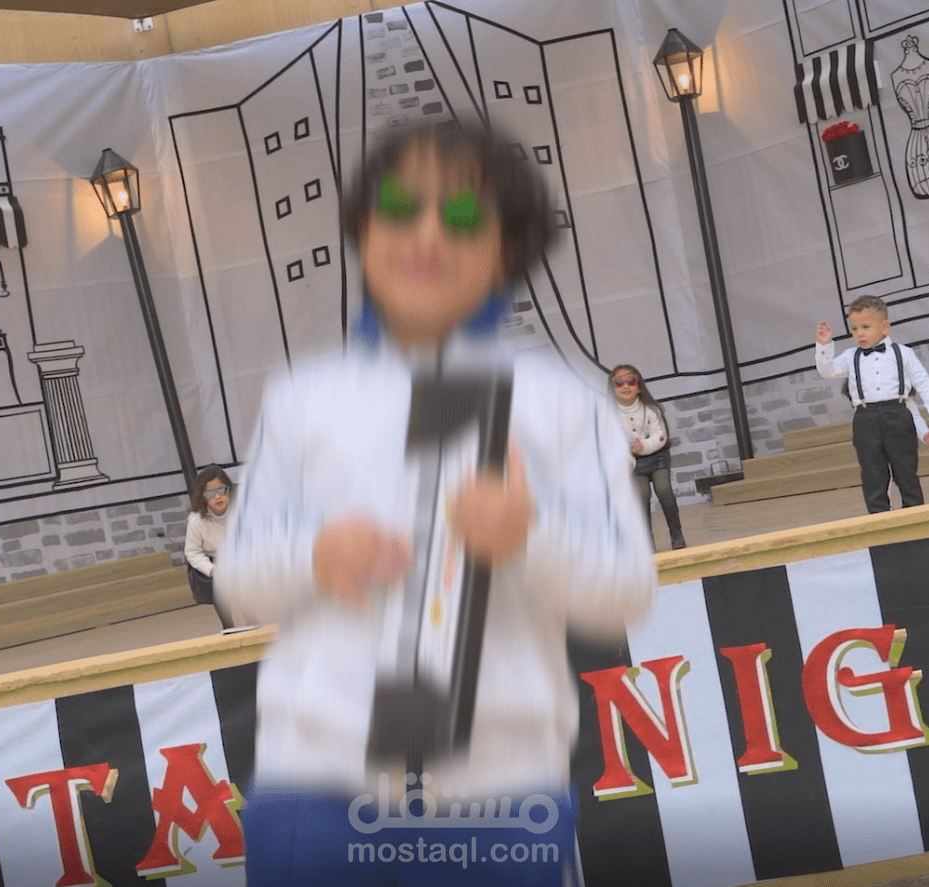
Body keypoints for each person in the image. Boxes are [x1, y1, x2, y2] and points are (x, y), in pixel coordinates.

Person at [219, 121, 656, 887]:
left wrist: (527, 537)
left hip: (500, 792)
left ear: (506, 250)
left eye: (460, 215)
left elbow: (626, 590)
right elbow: (239, 580)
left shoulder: (561, 405)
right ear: (363, 229)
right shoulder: (302, 401)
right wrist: (314, 555)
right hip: (313, 783)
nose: (425, 234)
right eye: (398, 206)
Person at [816, 295, 929, 513]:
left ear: (884, 327)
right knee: (872, 473)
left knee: (906, 469)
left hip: (898, 414)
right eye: (854, 329)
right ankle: (879, 517)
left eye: (866, 327)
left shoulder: (903, 353)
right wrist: (824, 345)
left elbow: (923, 382)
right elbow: (827, 371)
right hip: (865, 418)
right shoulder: (850, 356)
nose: (859, 333)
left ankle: (915, 515)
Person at [610, 364, 686, 550]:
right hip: (633, 462)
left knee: (664, 490)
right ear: (612, 388)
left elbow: (660, 436)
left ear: (639, 386)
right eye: (619, 382)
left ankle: (676, 532)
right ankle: (647, 540)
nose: (625, 386)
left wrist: (644, 446)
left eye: (631, 381)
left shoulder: (651, 410)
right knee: (641, 496)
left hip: (657, 456)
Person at [184, 465, 242, 631]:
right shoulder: (196, 520)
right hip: (214, 564)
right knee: (221, 593)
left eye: (221, 490)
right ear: (202, 497)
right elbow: (192, 552)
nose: (217, 497)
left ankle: (252, 622)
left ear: (229, 490)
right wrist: (212, 570)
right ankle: (228, 627)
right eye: (210, 493)